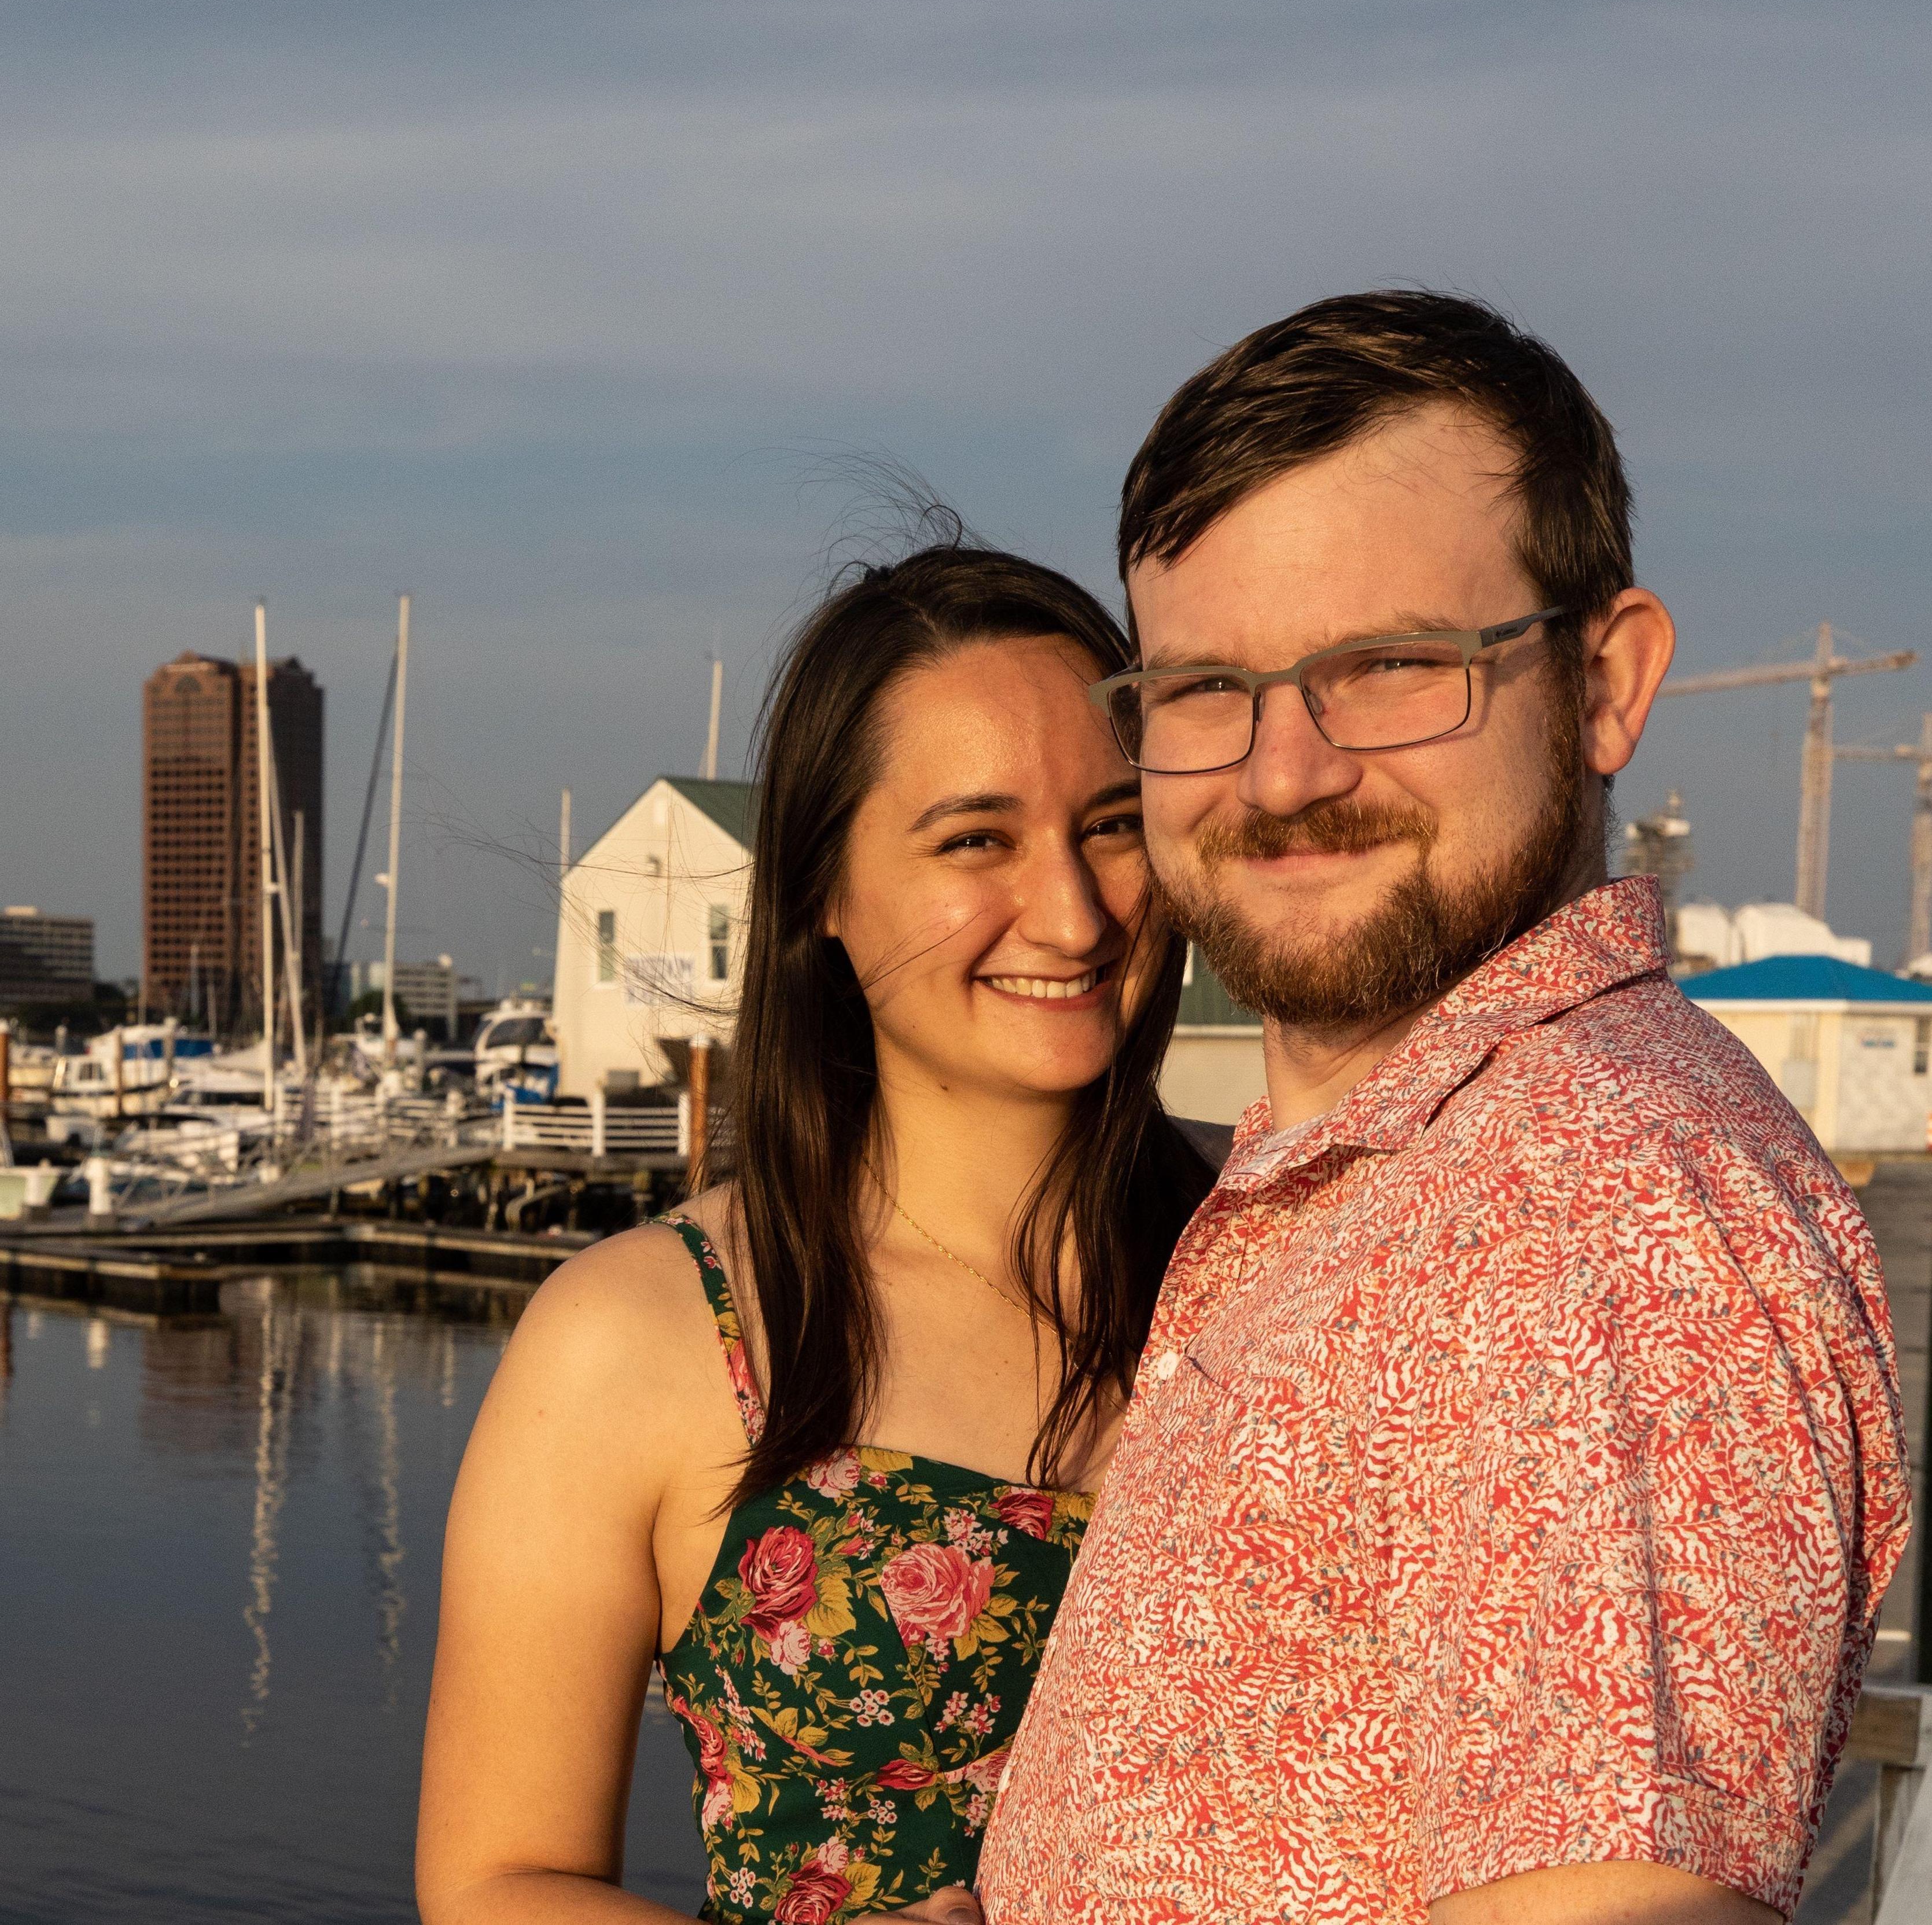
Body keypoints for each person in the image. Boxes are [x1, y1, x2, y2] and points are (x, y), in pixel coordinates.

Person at [977, 293, 1912, 1924]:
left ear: (1607, 683)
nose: (1282, 773)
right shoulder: (1390, 1170)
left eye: (1390, 664)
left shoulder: (1599, 1210)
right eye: (1204, 688)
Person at [416, 540, 1219, 1924]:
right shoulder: (639, 1336)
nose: (1074, 909)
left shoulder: (1296, 1235)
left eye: (1110, 821)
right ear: (822, 894)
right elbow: (495, 1882)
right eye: (974, 838)